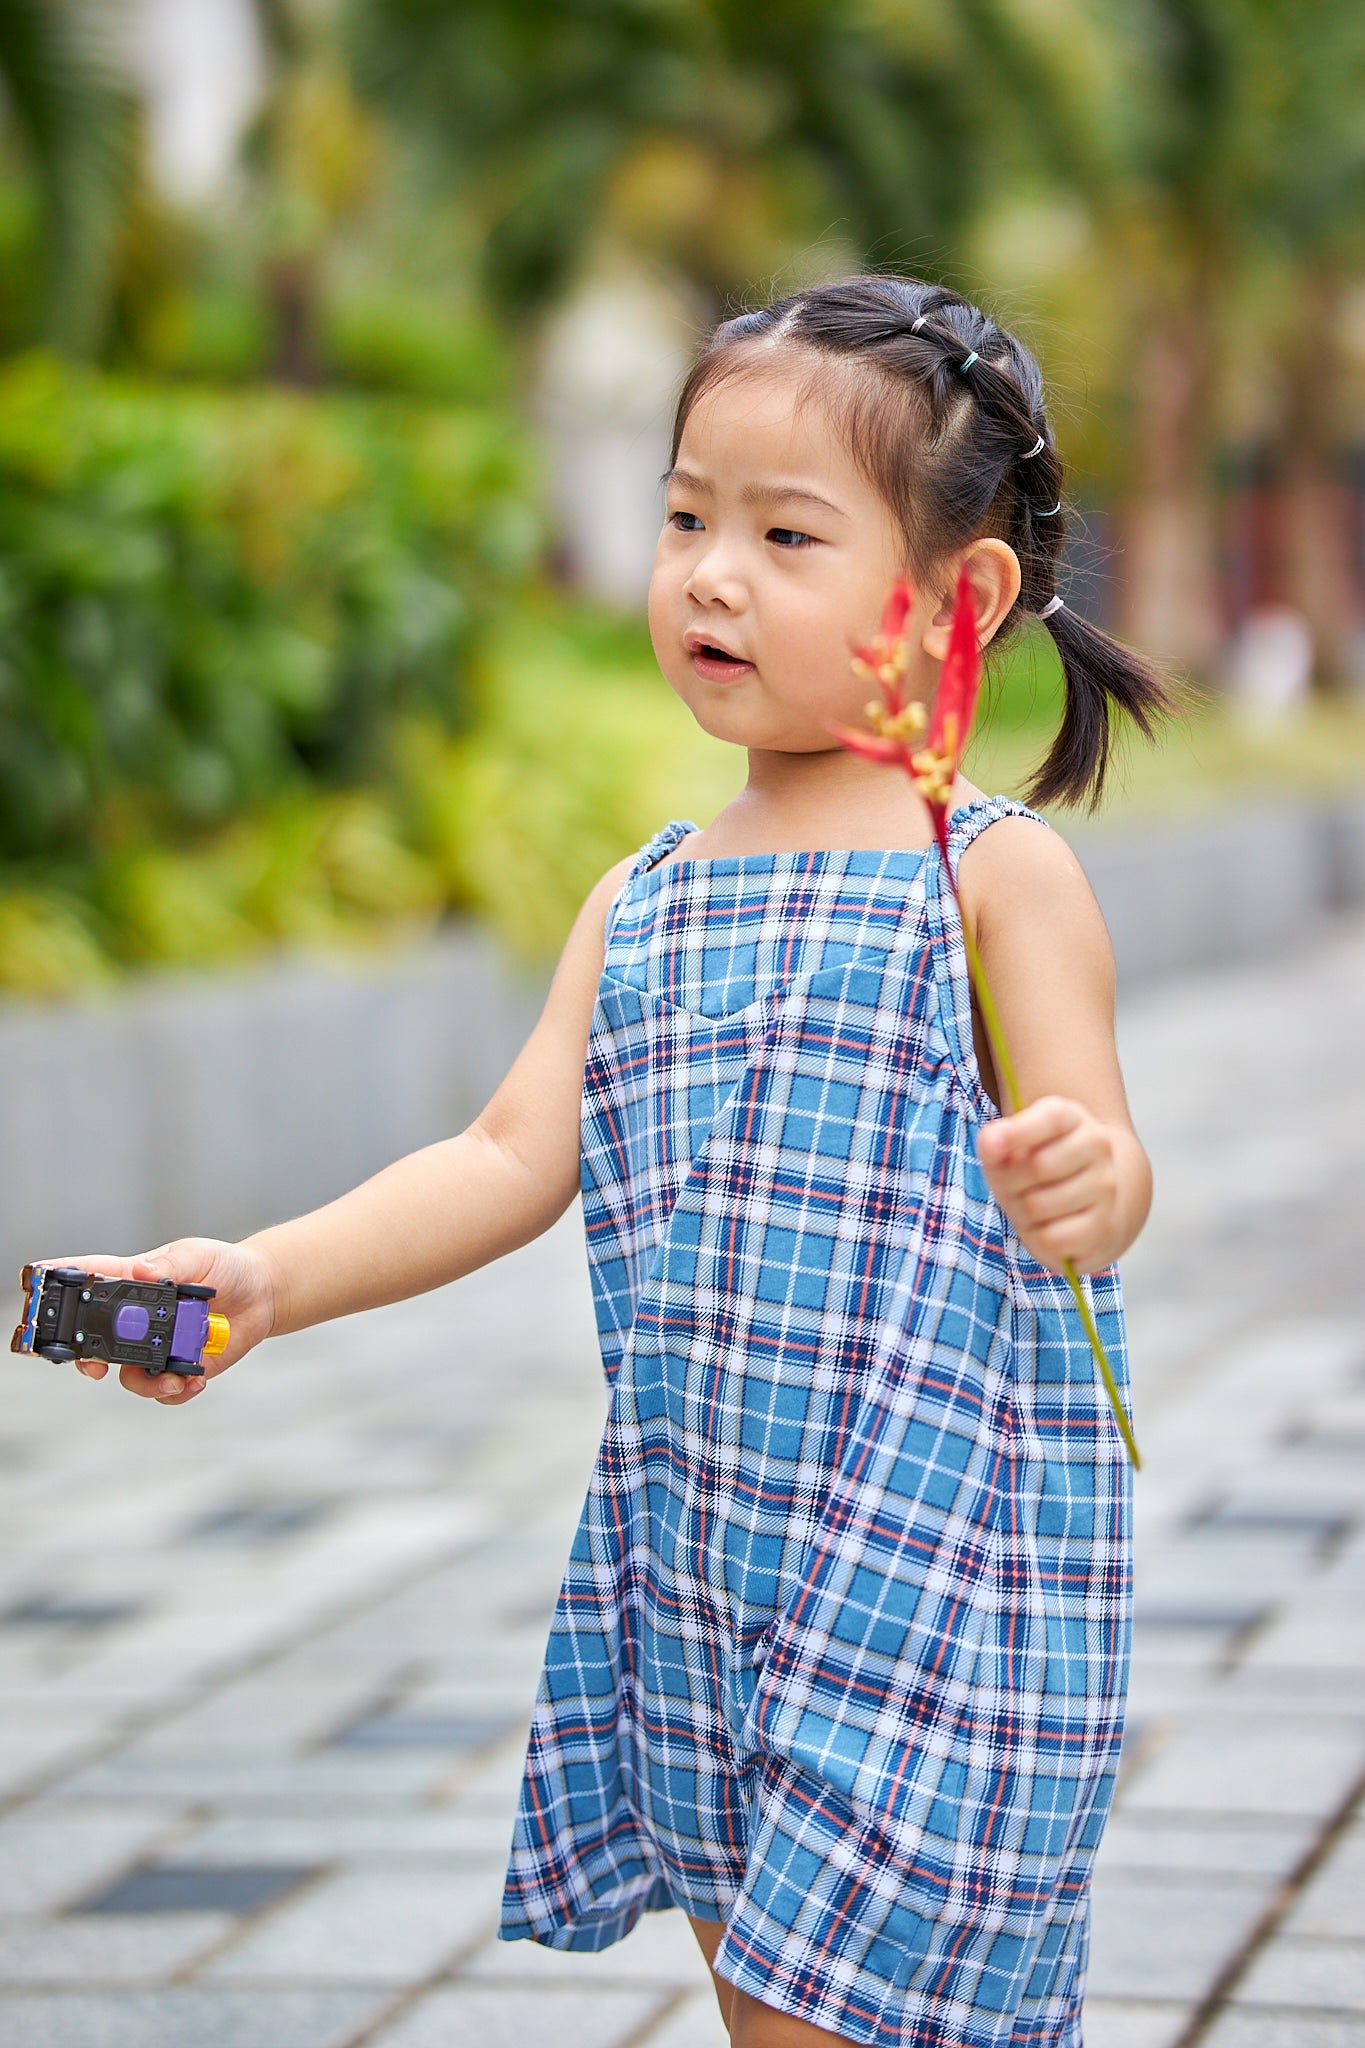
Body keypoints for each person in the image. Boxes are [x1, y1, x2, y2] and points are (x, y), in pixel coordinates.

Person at [67, 277, 1167, 2046]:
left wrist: (1081, 1179)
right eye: (684, 518)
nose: (710, 573)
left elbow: (1102, 1146)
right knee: (772, 2007)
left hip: (940, 1560)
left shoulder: (989, 874)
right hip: (707, 1565)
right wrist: (266, 1275)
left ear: (952, 598)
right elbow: (506, 1154)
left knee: (838, 2011)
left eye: (784, 534)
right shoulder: (642, 898)